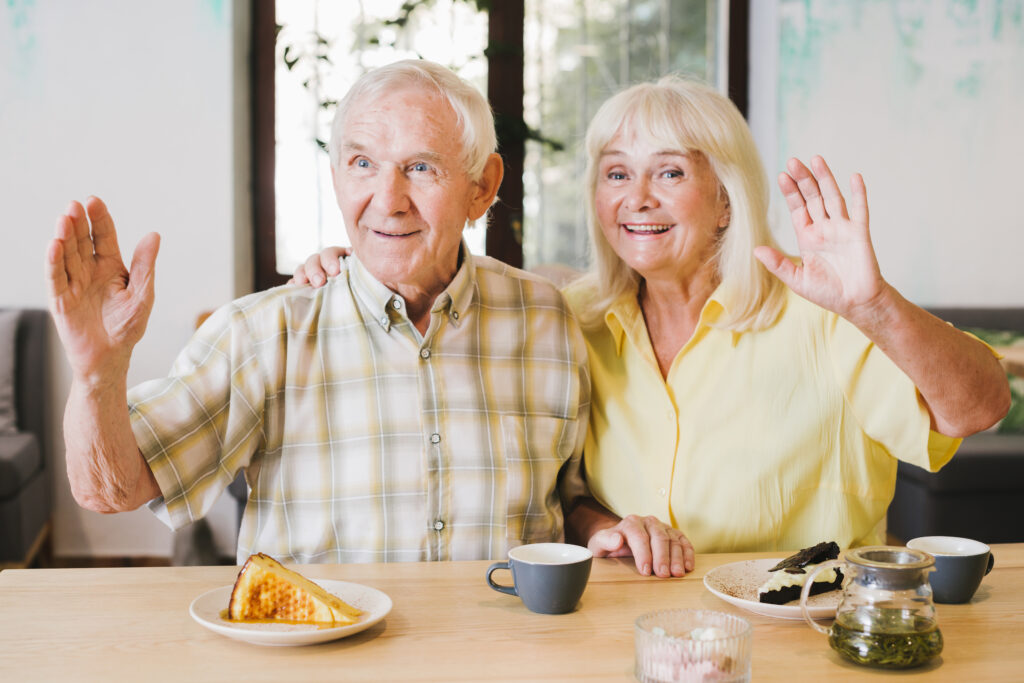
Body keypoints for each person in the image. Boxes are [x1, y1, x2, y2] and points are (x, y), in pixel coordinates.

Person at [292, 75, 1009, 576]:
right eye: (614, 174)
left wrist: (874, 304)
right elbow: (562, 494)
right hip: (630, 639)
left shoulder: (822, 314)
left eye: (668, 173)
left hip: (803, 639)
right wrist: (359, 270)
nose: (636, 198)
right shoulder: (571, 321)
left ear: (725, 198)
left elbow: (981, 407)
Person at [44, 59, 590, 564]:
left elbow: (576, 503)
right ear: (336, 177)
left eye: (420, 168)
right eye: (361, 164)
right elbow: (109, 489)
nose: (387, 198)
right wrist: (98, 373)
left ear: (482, 188)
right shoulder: (261, 334)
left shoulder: (546, 320)